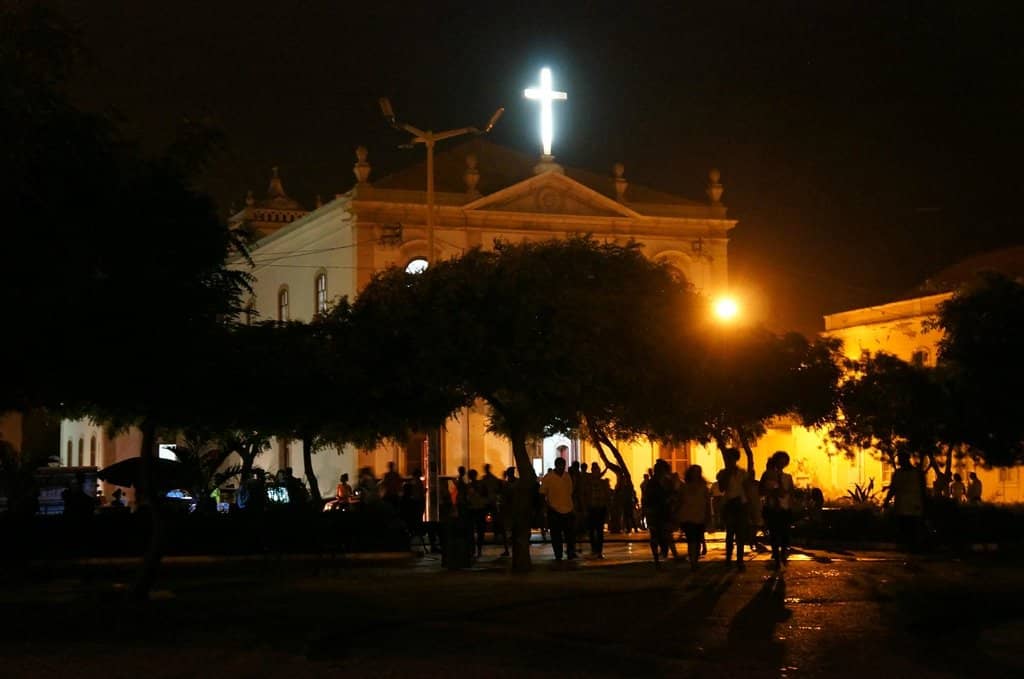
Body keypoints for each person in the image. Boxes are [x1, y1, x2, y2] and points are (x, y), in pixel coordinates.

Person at [883, 453, 927, 551]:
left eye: (902, 459)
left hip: (914, 505)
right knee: (903, 526)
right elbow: (893, 488)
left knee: (913, 526)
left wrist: (925, 503)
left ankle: (914, 546)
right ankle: (906, 546)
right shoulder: (898, 473)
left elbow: (923, 489)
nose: (900, 462)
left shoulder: (917, 473)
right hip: (902, 505)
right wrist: (886, 500)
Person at [716, 447, 749, 571]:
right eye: (727, 459)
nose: (729, 461)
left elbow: (746, 489)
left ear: (735, 459)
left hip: (741, 504)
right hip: (729, 504)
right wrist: (727, 475)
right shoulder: (723, 473)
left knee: (740, 534)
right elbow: (722, 488)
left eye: (731, 458)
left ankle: (740, 560)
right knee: (730, 533)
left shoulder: (742, 473)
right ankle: (729, 559)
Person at [761, 451, 795, 569]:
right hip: (772, 508)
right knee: (774, 533)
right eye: (780, 460)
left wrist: (790, 500)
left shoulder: (787, 477)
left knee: (785, 534)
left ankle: (783, 554)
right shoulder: (768, 475)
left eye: (784, 460)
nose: (782, 463)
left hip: (785, 509)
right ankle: (776, 556)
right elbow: (762, 490)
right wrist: (772, 491)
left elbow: (791, 492)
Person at [540, 457, 576, 560]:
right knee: (556, 535)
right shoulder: (548, 477)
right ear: (556, 465)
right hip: (554, 509)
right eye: (560, 466)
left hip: (568, 508)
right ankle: (558, 554)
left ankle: (570, 552)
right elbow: (542, 493)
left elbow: (570, 492)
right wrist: (546, 507)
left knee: (569, 534)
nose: (562, 468)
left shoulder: (567, 476)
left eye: (563, 466)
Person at [645, 460, 675, 565]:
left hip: (663, 511)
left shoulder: (666, 482)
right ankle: (657, 557)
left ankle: (662, 555)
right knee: (656, 535)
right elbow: (650, 498)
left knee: (663, 534)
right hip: (656, 511)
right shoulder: (653, 483)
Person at [679, 464, 709, 570]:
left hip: (699, 517)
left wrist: (708, 516)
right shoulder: (684, 487)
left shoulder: (703, 487)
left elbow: (707, 503)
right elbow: (680, 502)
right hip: (688, 517)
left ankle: (695, 559)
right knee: (692, 540)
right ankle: (693, 562)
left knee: (698, 541)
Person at [583, 462, 610, 558]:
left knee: (599, 531)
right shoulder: (589, 483)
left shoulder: (602, 483)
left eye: (597, 470)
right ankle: (594, 548)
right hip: (592, 508)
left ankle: (598, 550)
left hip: (600, 508)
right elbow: (585, 496)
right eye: (595, 470)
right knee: (592, 530)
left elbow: (607, 497)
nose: (596, 472)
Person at [466, 469, 488, 557]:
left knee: (475, 530)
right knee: (479, 531)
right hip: (477, 509)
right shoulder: (479, 485)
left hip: (475, 509)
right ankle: (477, 550)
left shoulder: (473, 486)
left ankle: (475, 550)